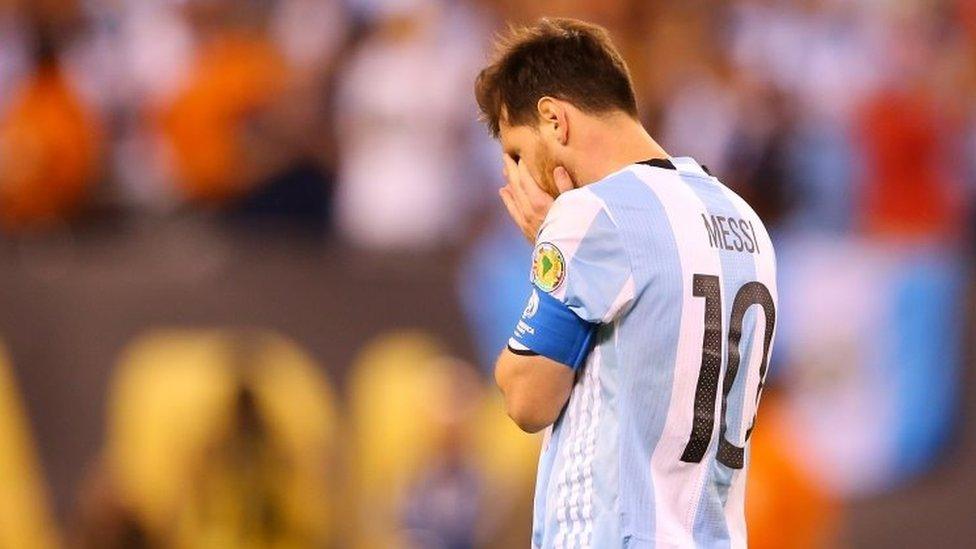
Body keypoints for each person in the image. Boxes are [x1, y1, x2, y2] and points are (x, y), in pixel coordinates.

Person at [475, 18, 778, 548]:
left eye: (518, 154)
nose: (515, 182)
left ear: (553, 119)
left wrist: (550, 245)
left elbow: (526, 399)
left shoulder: (591, 217)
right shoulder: (746, 221)